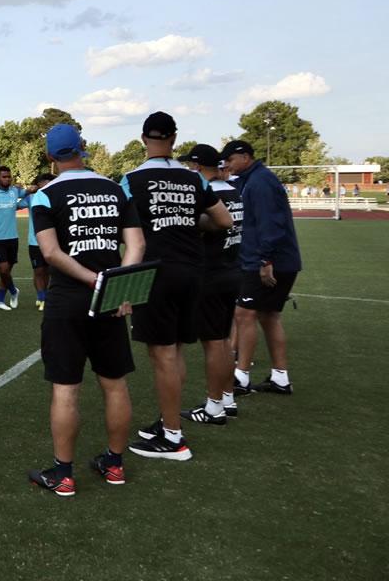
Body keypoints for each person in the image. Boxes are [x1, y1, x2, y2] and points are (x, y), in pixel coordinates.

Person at [27, 124, 145, 496]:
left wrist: (92, 280)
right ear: (83, 149)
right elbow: (137, 244)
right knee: (114, 384)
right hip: (110, 297)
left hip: (68, 301)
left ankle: (63, 474)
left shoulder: (45, 195)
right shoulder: (115, 188)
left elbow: (50, 254)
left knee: (66, 389)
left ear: (50, 157)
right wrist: (116, 284)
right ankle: (114, 464)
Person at [122, 112, 232, 461]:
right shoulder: (194, 179)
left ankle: (172, 438)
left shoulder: (130, 180)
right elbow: (224, 219)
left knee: (162, 354)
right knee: (176, 351)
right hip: (193, 271)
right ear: (174, 138)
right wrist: (188, 223)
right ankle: (169, 420)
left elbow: (119, 225)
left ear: (143, 139)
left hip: (155, 273)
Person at [221, 140, 302, 395]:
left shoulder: (260, 182)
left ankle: (241, 377)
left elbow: (270, 224)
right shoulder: (252, 179)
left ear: (244, 157)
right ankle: (280, 378)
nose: (228, 165)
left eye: (231, 160)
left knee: (244, 315)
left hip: (265, 262)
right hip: (276, 260)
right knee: (268, 316)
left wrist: (266, 261)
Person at [178, 144, 244, 423]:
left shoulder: (209, 194)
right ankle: (227, 398)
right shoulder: (233, 190)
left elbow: (203, 226)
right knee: (224, 339)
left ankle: (214, 406)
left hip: (212, 273)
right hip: (231, 268)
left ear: (197, 166)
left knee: (214, 343)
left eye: (189, 166)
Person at [0, 166, 36, 311]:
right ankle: (13, 291)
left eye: (9, 177)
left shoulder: (15, 191)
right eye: (4, 177)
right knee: (4, 269)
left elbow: (30, 191)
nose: (7, 179)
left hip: (12, 238)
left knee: (5, 272)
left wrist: (33, 187)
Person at [27, 173, 57, 311]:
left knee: (50, 272)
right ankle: (41, 297)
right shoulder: (31, 198)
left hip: (53, 241)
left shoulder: (56, 197)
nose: (49, 184)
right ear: (39, 184)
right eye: (46, 182)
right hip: (34, 242)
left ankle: (46, 296)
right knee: (39, 271)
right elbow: (14, 204)